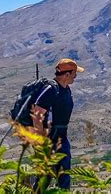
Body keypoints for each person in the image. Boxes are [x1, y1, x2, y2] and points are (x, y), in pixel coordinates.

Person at [31, 58, 84, 190]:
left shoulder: (66, 89)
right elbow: (37, 114)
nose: (75, 77)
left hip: (62, 139)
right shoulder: (51, 89)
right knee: (45, 177)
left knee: (64, 175)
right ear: (67, 74)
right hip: (49, 140)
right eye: (74, 74)